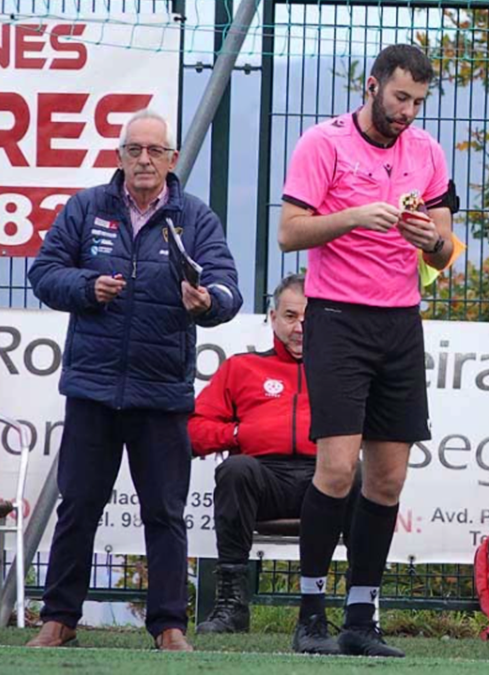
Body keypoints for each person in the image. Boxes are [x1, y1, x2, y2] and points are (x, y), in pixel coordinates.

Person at [25, 109, 242, 651]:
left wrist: (207, 301)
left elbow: (229, 289)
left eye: (154, 151)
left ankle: (169, 626)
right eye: (133, 150)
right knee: (77, 506)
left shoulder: (195, 218)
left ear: (171, 160)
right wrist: (87, 286)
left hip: (162, 393)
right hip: (93, 390)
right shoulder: (85, 207)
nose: (144, 160)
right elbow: (44, 273)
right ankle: (59, 620)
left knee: (165, 512)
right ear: (119, 157)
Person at [278, 43, 457, 657]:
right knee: (335, 469)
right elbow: (289, 232)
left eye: (418, 102)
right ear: (372, 85)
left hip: (401, 322)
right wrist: (355, 216)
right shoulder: (322, 144)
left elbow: (445, 252)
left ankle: (361, 618)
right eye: (400, 97)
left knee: (388, 478)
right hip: (338, 319)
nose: (408, 111)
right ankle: (309, 614)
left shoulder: (428, 152)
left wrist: (428, 238)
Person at [189, 274, 356, 633]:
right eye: (291, 316)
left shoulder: (345, 372)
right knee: (235, 470)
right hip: (265, 481)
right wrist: (239, 432)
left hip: (325, 478)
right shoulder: (241, 367)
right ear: (272, 317)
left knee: (358, 474)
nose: (299, 327)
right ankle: (232, 606)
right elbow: (193, 431)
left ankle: (358, 614)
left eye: (308, 318)